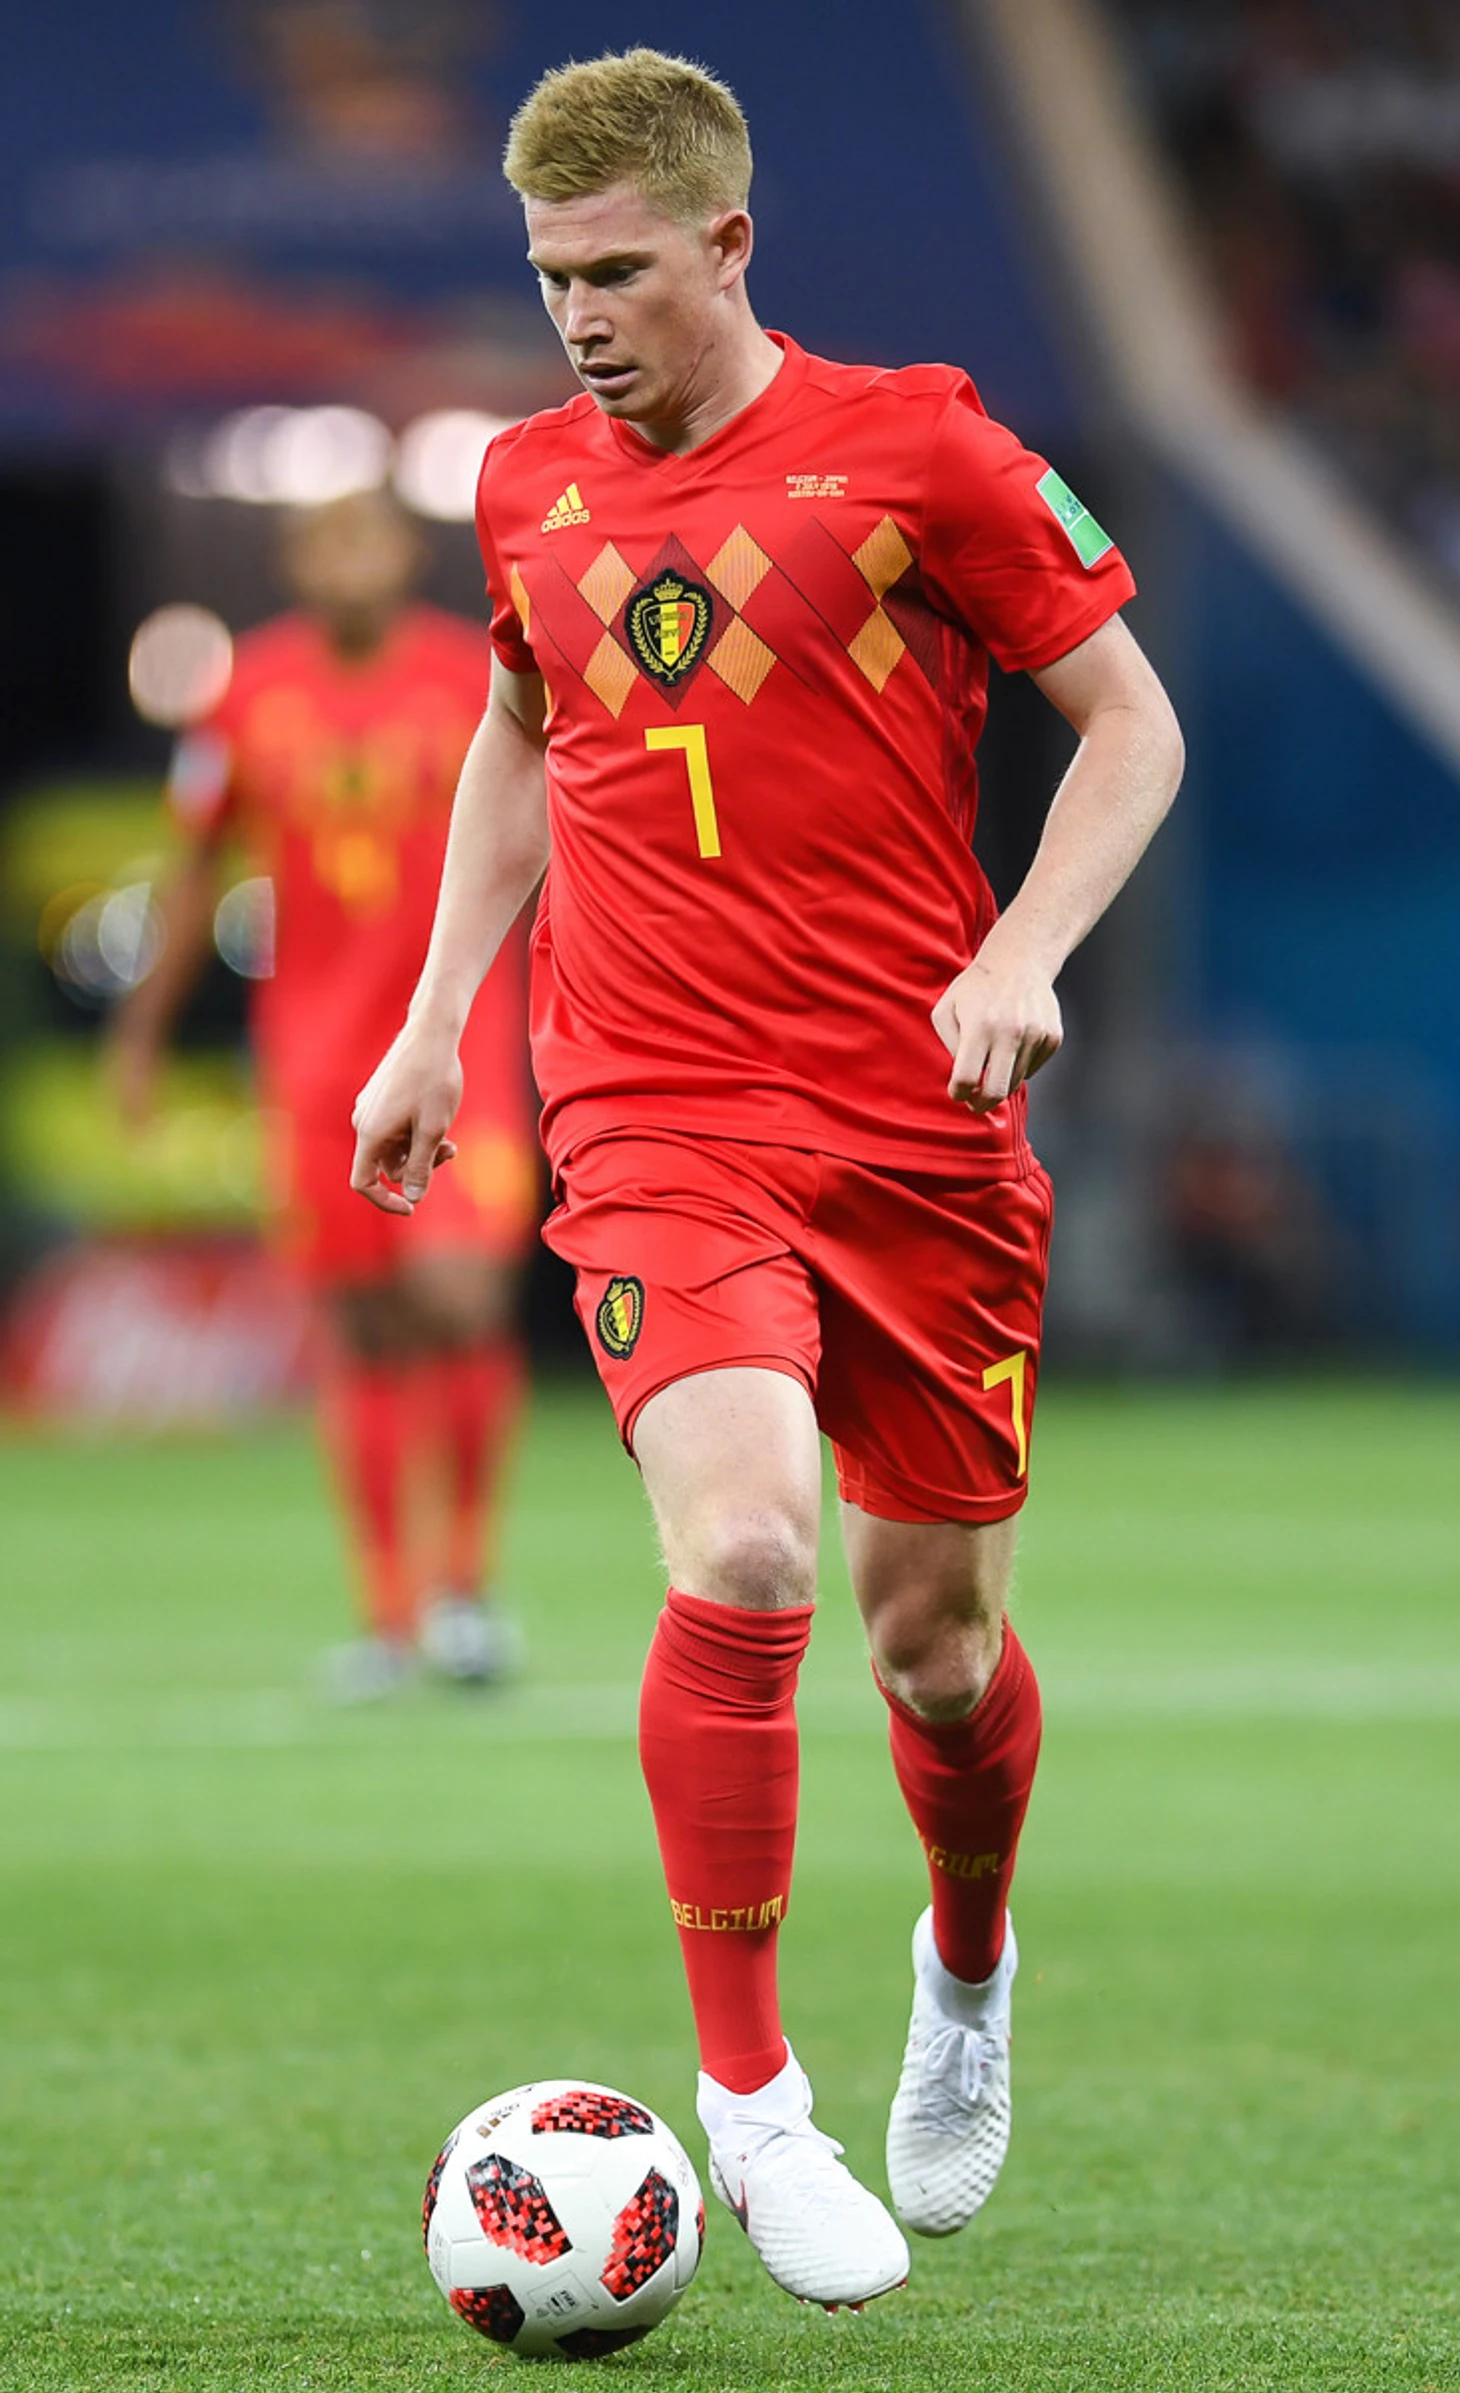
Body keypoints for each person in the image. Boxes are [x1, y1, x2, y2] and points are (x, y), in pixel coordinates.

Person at [351, 49, 1184, 2308]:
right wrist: (436, 1017)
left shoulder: (919, 448)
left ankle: (967, 1960)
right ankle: (750, 2097)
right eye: (550, 276)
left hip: (916, 1126)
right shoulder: (523, 483)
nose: (578, 318)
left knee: (938, 1653)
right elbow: (521, 727)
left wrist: (1020, 949)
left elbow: (1133, 725)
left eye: (617, 271)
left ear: (727, 243)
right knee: (739, 1547)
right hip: (651, 1106)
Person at [112, 492, 539, 1700]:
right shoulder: (243, 694)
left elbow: (547, 829)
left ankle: (466, 1590)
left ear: (407, 553)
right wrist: (140, 1031)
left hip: (457, 1044)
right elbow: (196, 868)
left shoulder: (477, 675)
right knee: (358, 1327)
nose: (348, 561)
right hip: (312, 1063)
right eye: (325, 541)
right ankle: (389, 1616)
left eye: (367, 537)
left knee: (457, 1293)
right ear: (292, 561)